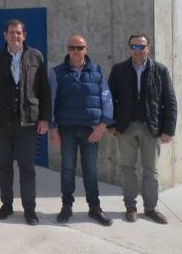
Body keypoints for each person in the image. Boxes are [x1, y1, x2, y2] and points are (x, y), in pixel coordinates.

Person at [0, 19, 50, 225]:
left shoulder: (36, 56)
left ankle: (29, 209)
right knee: (4, 165)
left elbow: (44, 90)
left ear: (24, 35)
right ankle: (7, 204)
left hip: (27, 122)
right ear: (5, 35)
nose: (15, 36)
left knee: (27, 167)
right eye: (11, 33)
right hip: (1, 123)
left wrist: (45, 118)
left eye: (18, 33)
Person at [108, 34, 177, 224]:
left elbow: (170, 101)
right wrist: (111, 125)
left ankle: (150, 208)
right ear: (129, 48)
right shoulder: (119, 69)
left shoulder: (160, 70)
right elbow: (109, 98)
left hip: (151, 128)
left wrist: (168, 130)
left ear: (149, 48)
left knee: (151, 170)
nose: (137, 50)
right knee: (127, 168)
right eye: (134, 46)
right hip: (125, 127)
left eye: (141, 46)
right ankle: (130, 206)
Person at [49, 34, 114, 226]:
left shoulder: (98, 71)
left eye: (80, 47)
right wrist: (53, 129)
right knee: (67, 169)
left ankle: (94, 208)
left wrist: (102, 126)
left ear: (87, 48)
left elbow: (106, 98)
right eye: (72, 47)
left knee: (90, 170)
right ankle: (66, 206)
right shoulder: (56, 72)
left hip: (91, 130)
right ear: (67, 49)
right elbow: (51, 101)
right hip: (66, 129)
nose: (76, 51)